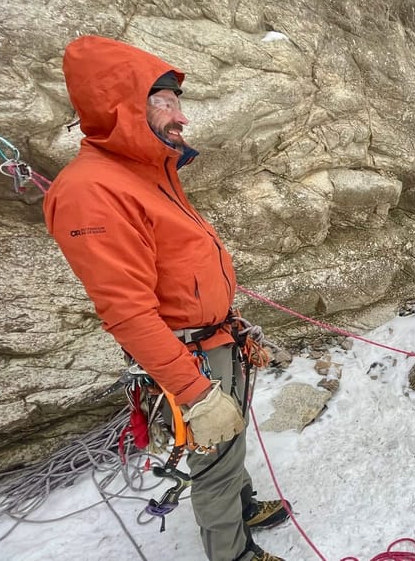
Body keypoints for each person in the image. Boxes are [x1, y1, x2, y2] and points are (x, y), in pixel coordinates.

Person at [44, 35, 289, 561]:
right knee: (215, 451)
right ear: (123, 105)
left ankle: (241, 506)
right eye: (164, 101)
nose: (180, 118)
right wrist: (195, 393)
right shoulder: (92, 189)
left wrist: (228, 317)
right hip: (187, 353)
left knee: (228, 442)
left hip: (214, 338)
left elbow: (180, 268)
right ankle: (233, 554)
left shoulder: (148, 172)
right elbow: (127, 312)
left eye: (178, 101)